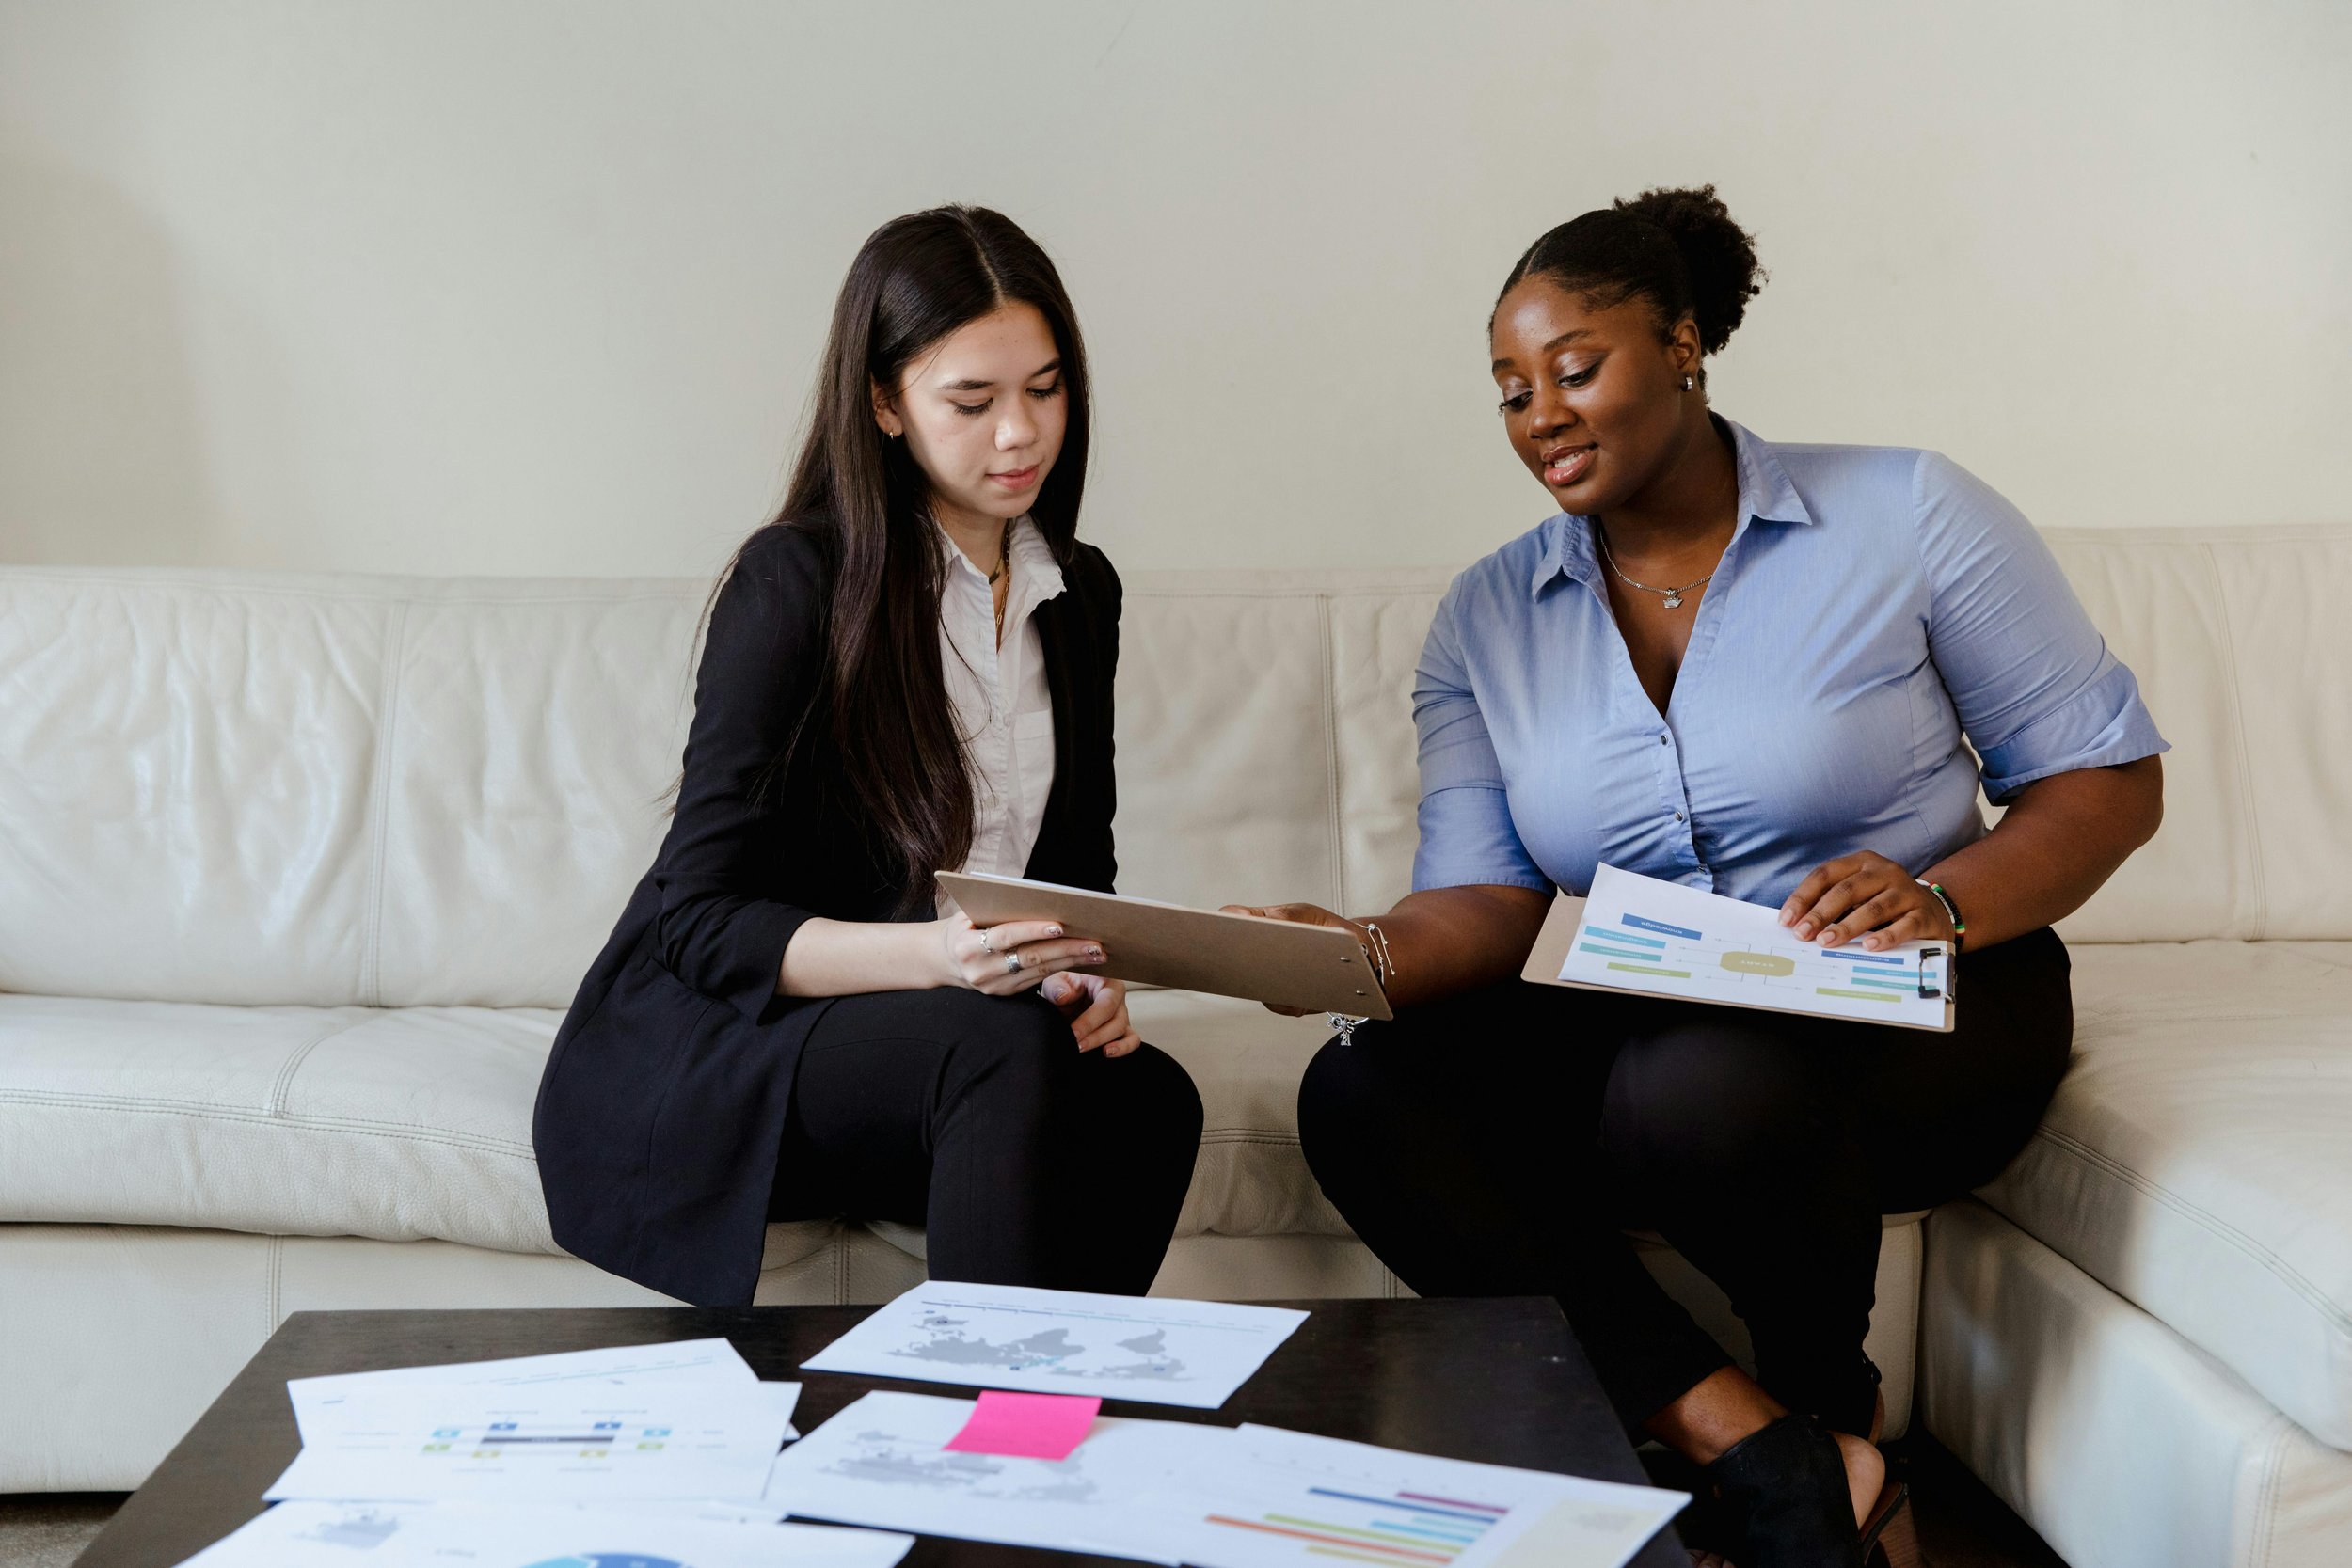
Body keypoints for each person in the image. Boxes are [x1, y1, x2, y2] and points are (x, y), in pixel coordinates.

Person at [1232, 186, 2166, 1568]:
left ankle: (1824, 1390)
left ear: (1682, 345)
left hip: (1925, 988)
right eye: (1507, 391)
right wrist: (1353, 947)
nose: (1538, 412)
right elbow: (1487, 899)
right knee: (1367, 1085)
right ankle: (1765, 1443)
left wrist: (1946, 900)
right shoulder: (1490, 612)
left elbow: (2105, 777)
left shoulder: (1906, 510)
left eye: (1574, 368)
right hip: (1653, 1001)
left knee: (1693, 1081)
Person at [535, 206, 1202, 1310]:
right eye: (971, 402)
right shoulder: (795, 583)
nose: (1019, 434)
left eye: (1043, 388)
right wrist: (944, 959)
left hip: (947, 1036)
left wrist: (1088, 975)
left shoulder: (1079, 593)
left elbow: (1075, 869)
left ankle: (1052, 1427)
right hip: (734, 1044)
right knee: (1009, 1053)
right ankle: (981, 1451)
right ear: (886, 404)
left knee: (1149, 1096)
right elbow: (696, 920)